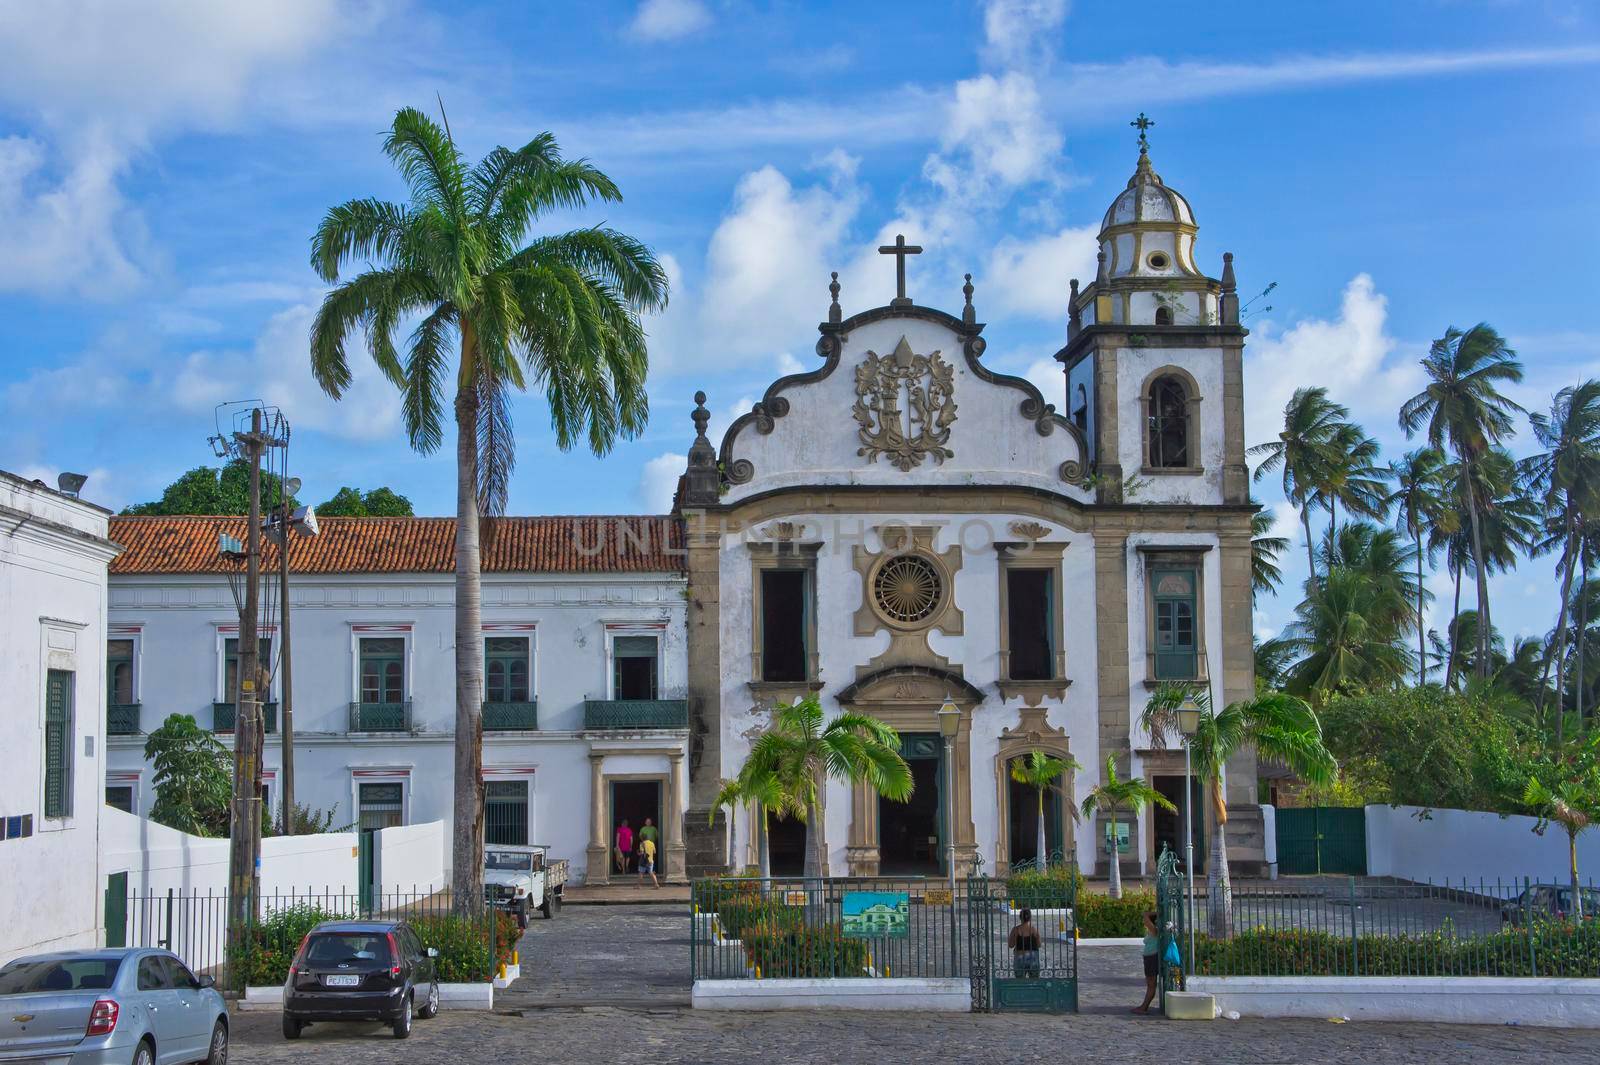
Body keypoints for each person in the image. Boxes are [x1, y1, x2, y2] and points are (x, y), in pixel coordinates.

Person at [1134, 910, 1160, 1014]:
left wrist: (1156, 913)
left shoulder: (1154, 930)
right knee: (1150, 984)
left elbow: (1144, 914)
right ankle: (1143, 1006)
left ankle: (1144, 1007)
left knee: (1151, 984)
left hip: (1152, 959)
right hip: (1149, 958)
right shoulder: (1153, 930)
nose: (1144, 922)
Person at [1007, 908, 1041, 979]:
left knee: (1020, 982)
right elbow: (1039, 945)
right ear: (1030, 917)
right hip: (1033, 957)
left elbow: (1010, 945)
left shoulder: (1015, 930)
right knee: (1034, 981)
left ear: (1020, 917)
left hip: (1020, 956)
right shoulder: (1034, 929)